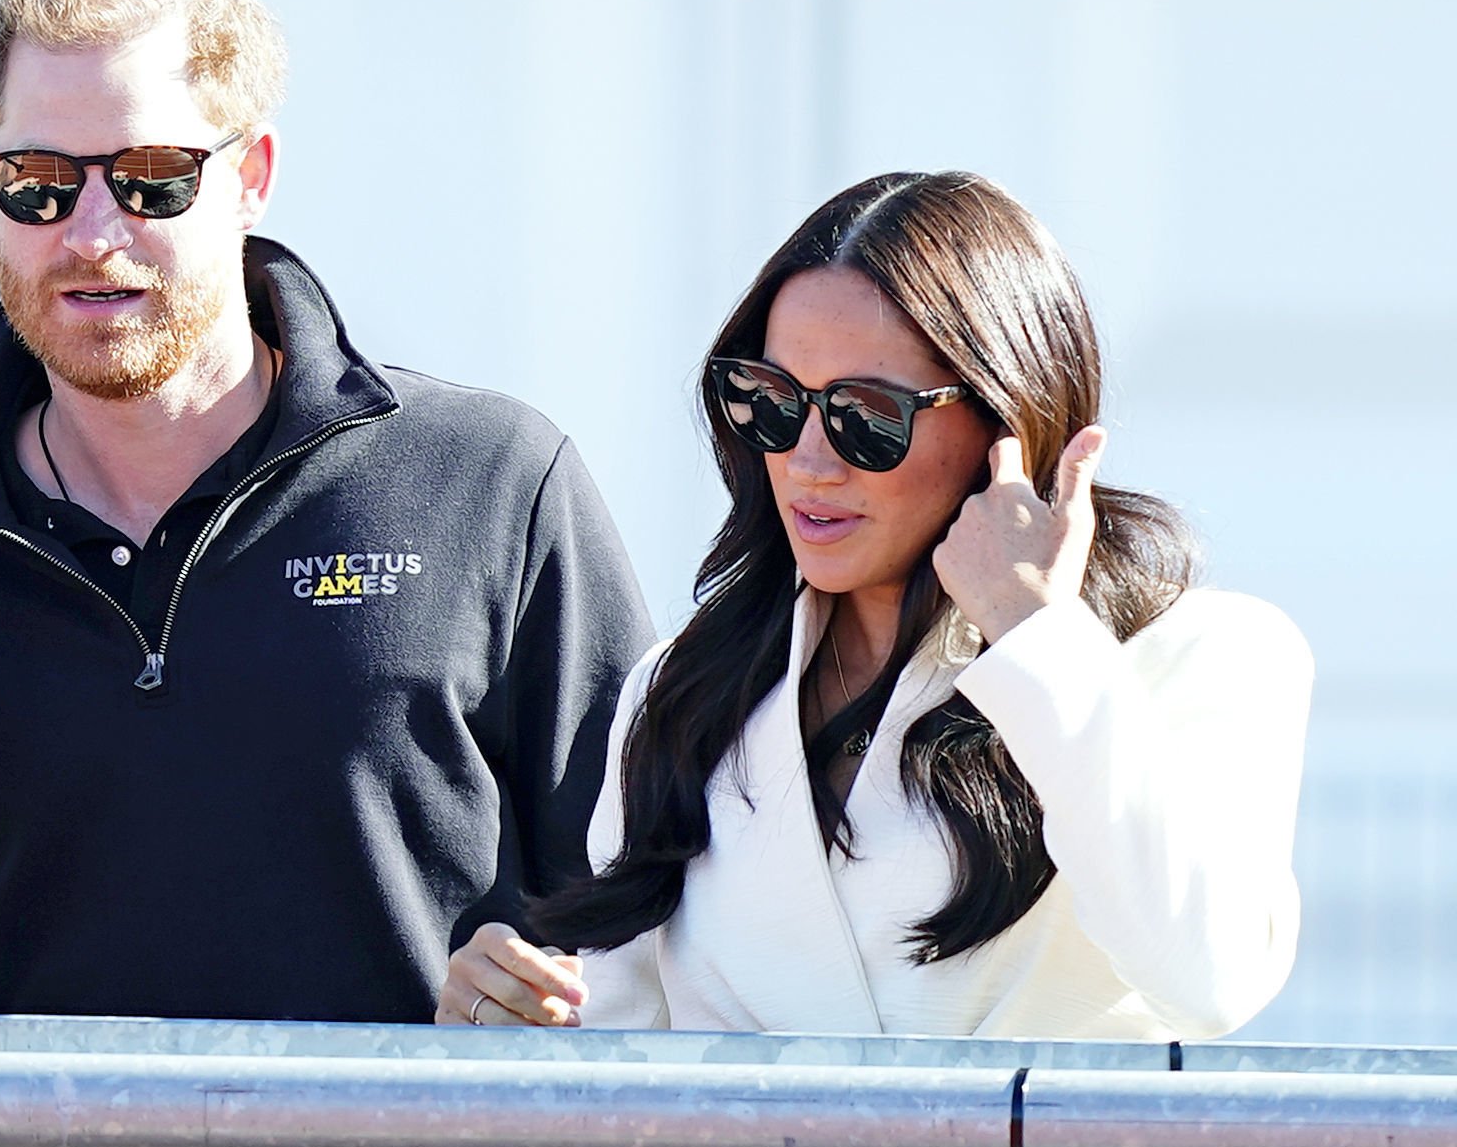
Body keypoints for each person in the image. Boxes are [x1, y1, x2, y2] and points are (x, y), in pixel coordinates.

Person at [0, 0, 653, 1023]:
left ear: (252, 178)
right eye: (39, 180)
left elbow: (652, 909)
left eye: (153, 178)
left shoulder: (491, 483)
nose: (94, 232)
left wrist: (549, 1001)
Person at [440, 170, 1307, 1039]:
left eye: (868, 415)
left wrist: (1036, 637)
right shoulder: (684, 687)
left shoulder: (1200, 653)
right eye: (773, 403)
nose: (811, 460)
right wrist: (524, 1021)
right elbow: (634, 1072)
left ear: (1010, 420)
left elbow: (1213, 976)